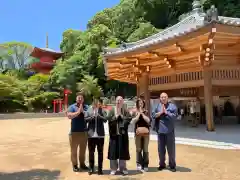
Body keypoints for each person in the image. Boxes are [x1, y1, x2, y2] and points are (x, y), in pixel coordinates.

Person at [152, 92, 178, 172]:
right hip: (160, 131)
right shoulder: (157, 106)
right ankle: (162, 164)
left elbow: (175, 116)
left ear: (167, 98)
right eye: (162, 97)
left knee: (171, 150)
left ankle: (172, 165)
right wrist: (160, 113)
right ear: (160, 98)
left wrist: (167, 113)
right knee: (161, 150)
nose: (163, 98)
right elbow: (153, 115)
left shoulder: (172, 106)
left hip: (169, 131)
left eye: (165, 97)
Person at [107, 96, 131, 175]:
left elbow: (128, 119)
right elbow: (109, 119)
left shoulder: (125, 110)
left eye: (120, 100)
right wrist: (115, 117)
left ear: (123, 102)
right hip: (114, 134)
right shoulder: (111, 110)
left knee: (122, 151)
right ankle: (113, 168)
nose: (118, 102)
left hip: (122, 135)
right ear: (115, 101)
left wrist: (122, 116)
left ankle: (122, 168)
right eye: (117, 100)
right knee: (113, 152)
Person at [67, 92, 89, 172]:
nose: (80, 99)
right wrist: (78, 112)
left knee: (83, 150)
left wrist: (82, 111)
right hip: (74, 133)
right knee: (73, 150)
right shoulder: (72, 107)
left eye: (81, 98)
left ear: (83, 99)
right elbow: (69, 116)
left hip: (84, 132)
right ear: (76, 99)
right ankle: (75, 165)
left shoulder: (86, 107)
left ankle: (82, 164)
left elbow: (89, 116)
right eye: (78, 98)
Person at [85, 99, 107, 175]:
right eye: (96, 103)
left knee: (100, 153)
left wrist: (99, 116)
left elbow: (105, 120)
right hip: (91, 135)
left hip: (100, 135)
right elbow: (85, 119)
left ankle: (100, 169)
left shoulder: (102, 110)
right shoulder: (89, 110)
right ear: (93, 103)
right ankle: (91, 168)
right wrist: (92, 117)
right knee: (91, 152)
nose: (97, 104)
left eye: (99, 103)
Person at [131, 98, 151, 172]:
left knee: (145, 149)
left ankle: (145, 164)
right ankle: (139, 164)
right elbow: (133, 121)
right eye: (139, 103)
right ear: (137, 104)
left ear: (143, 104)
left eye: (141, 103)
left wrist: (142, 114)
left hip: (146, 133)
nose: (140, 104)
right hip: (137, 133)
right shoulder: (134, 112)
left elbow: (148, 121)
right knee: (138, 149)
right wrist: (138, 114)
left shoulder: (146, 111)